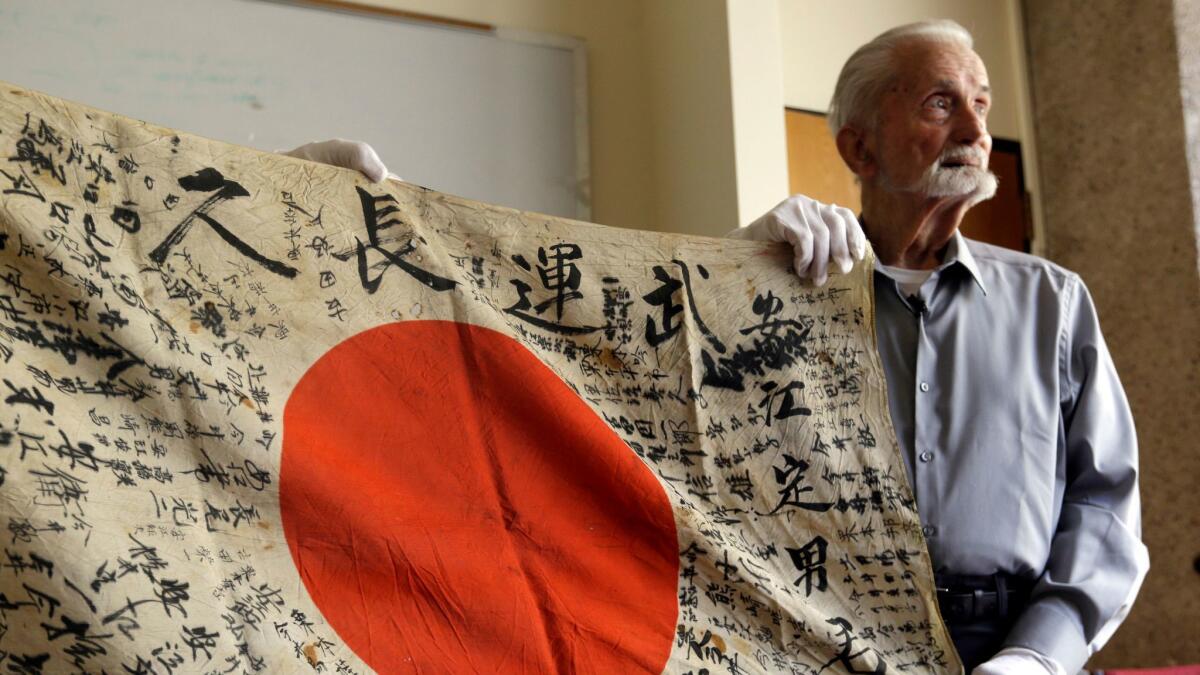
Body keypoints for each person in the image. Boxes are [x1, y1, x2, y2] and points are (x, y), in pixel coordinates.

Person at [285, 20, 1146, 675]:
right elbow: (599, 365)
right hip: (823, 637)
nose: (973, 125)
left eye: (981, 102)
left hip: (1012, 645)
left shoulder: (1051, 303)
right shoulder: (780, 286)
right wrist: (387, 222)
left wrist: (1038, 656)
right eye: (938, 102)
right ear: (858, 147)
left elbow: (1105, 506)